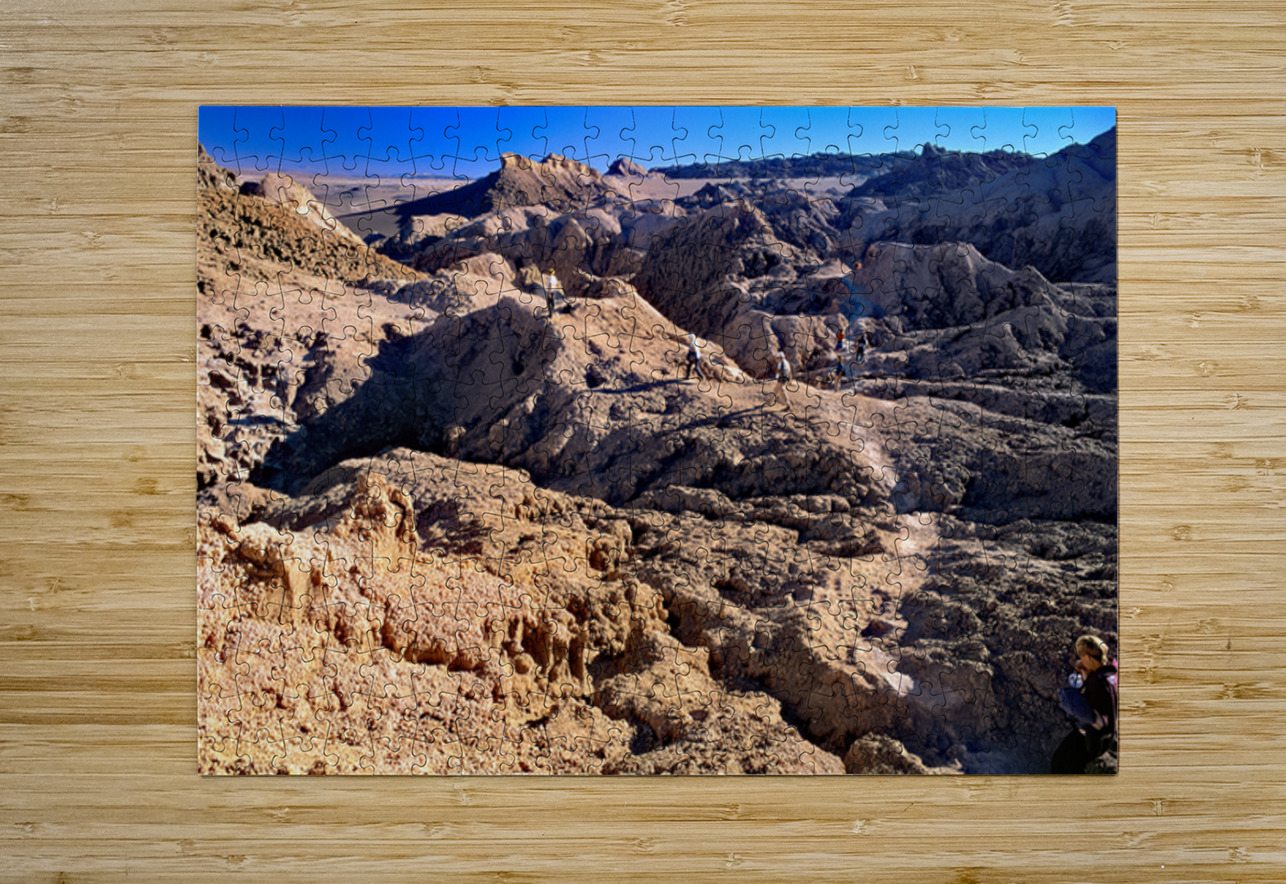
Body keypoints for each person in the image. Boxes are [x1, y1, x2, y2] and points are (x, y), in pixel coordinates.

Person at [1050, 634, 1118, 773]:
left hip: (1092, 739)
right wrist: (1087, 677)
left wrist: (1094, 721)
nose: (1080, 661)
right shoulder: (1110, 671)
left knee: (1060, 765)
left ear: (1087, 657)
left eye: (1082, 657)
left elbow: (1081, 707)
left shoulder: (1098, 683)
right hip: (1108, 736)